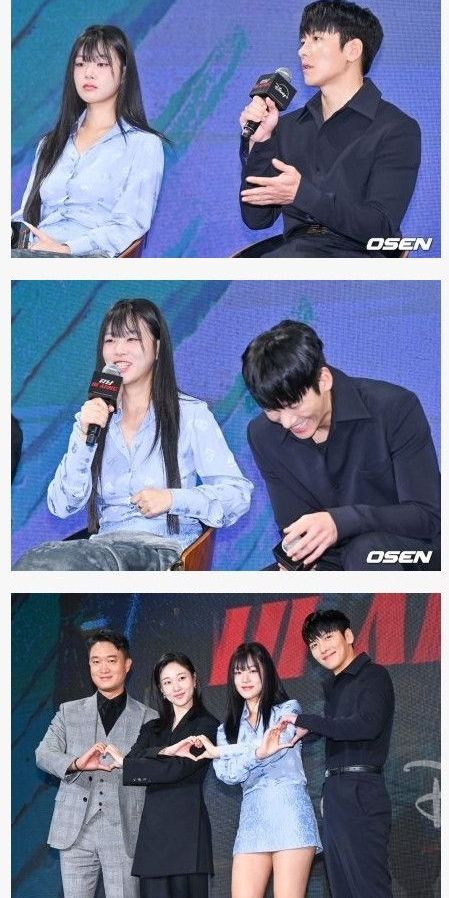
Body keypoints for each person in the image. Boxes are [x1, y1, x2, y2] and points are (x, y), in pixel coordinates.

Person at [14, 298, 252, 571]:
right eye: (110, 340)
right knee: (32, 564)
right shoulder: (94, 416)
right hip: (104, 549)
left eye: (132, 339)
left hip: (163, 550)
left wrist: (172, 499)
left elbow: (237, 495)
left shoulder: (190, 414)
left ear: (157, 348)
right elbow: (61, 505)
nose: (119, 350)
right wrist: (83, 438)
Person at [242, 319, 440, 570]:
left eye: (294, 405)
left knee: (366, 552)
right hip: (334, 560)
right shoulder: (263, 435)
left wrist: (341, 522)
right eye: (272, 409)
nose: (287, 421)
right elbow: (294, 525)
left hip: (417, 552)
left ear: (323, 380)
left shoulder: (395, 408)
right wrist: (300, 559)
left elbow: (427, 517)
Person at [238, 0, 421, 257]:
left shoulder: (396, 128)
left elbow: (381, 229)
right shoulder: (287, 126)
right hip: (294, 253)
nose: (302, 51)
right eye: (302, 41)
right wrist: (261, 142)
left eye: (316, 39)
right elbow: (256, 219)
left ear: (352, 50)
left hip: (355, 257)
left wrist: (301, 193)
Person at [11, 25, 165, 257]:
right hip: (33, 251)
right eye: (81, 63)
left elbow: (130, 224)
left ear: (124, 73)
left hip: (86, 256)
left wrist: (67, 248)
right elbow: (28, 214)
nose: (88, 73)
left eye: (101, 64)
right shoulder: (51, 143)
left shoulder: (143, 144)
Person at [280, 609, 395, 898]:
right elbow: (339, 728)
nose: (322, 648)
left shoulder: (373, 675)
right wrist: (311, 731)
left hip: (361, 791)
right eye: (314, 644)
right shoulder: (334, 686)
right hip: (335, 793)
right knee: (341, 888)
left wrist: (310, 721)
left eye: (328, 637)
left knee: (368, 886)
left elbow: (367, 725)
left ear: (349, 636)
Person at [192, 642, 321, 898]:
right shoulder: (227, 729)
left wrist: (226, 751)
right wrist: (257, 753)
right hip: (252, 820)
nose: (245, 679)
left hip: (290, 813)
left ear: (267, 672)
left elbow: (280, 743)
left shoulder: (287, 710)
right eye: (239, 672)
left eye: (253, 670)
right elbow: (227, 774)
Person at [35, 629, 156, 898]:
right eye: (96, 661)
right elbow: (43, 754)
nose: (103, 668)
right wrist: (77, 763)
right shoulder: (68, 711)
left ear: (127, 665)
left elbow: (155, 771)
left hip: (124, 829)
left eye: (111, 660)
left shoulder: (149, 717)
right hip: (75, 830)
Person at [104, 652, 219, 898]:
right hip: (153, 838)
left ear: (194, 679)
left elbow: (176, 769)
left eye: (181, 678)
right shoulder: (152, 728)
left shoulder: (207, 725)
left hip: (188, 836)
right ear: (161, 690)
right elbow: (135, 757)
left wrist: (133, 762)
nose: (176, 687)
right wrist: (164, 750)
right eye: (167, 682)